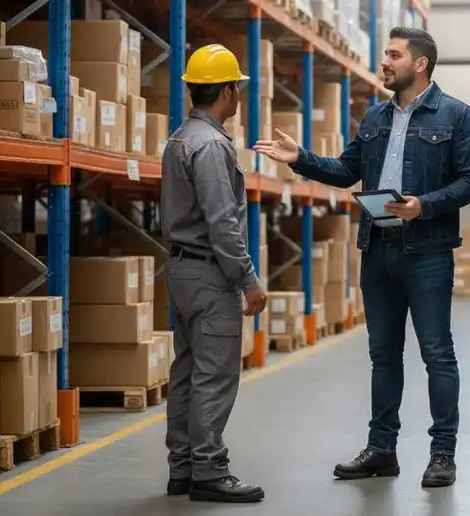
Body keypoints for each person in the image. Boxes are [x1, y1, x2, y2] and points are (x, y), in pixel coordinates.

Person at [254, 27, 470, 488]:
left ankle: (442, 454)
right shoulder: (376, 116)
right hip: (378, 248)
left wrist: (423, 205)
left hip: (428, 252)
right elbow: (347, 171)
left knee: (437, 354)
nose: (385, 62)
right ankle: (382, 449)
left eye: (394, 55)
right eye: (386, 54)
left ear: (420, 64)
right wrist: (300, 158)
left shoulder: (456, 115)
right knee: (383, 355)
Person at [159, 44, 267, 504]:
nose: (238, 94)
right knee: (214, 375)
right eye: (236, 87)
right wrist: (248, 281)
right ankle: (209, 470)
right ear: (226, 92)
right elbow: (223, 223)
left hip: (181, 270)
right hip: (209, 274)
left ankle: (182, 468)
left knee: (187, 371)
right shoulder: (212, 145)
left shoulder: (180, 138)